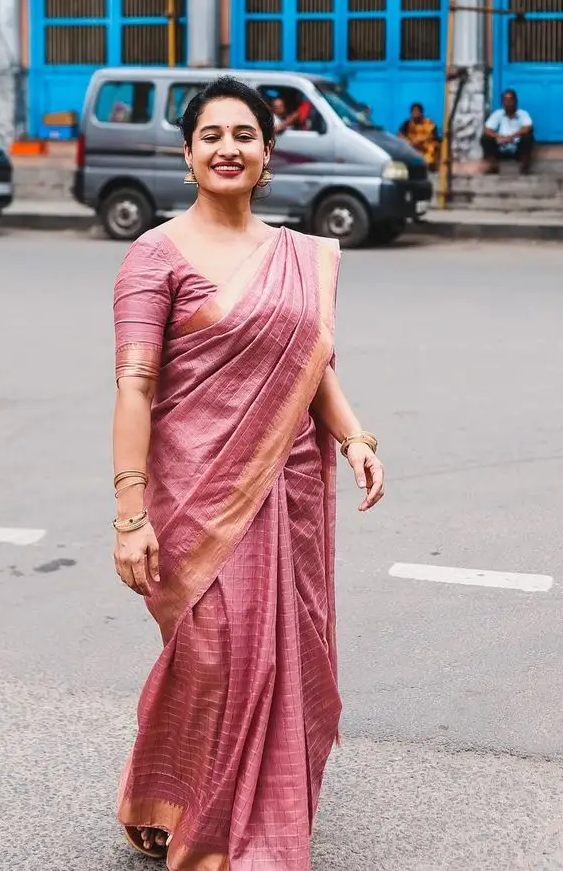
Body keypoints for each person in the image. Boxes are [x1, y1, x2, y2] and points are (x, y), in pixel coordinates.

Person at [111, 74, 384, 866]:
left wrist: (355, 438)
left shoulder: (298, 254)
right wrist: (130, 517)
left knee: (283, 654)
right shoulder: (152, 256)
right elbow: (134, 389)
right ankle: (198, 815)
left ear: (267, 154)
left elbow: (312, 365)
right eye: (211, 136)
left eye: (244, 136)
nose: (227, 148)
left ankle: (217, 811)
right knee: (215, 657)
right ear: (187, 154)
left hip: (287, 490)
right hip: (195, 493)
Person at [481, 89, 534, 173]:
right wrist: (499, 136)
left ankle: (524, 165)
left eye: (511, 99)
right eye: (505, 100)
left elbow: (527, 127)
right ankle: (493, 165)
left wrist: (512, 136)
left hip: (516, 148)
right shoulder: (498, 114)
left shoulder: (523, 114)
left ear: (515, 101)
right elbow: (487, 129)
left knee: (528, 137)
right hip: (500, 147)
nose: (508, 102)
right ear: (502, 102)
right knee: (485, 138)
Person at [399, 101, 439, 169]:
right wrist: (408, 142)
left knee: (432, 148)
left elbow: (433, 136)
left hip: (425, 149)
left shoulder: (429, 123)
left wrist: (420, 141)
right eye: (413, 111)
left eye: (417, 111)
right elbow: (400, 135)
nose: (415, 113)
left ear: (421, 112)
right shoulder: (407, 123)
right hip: (411, 148)